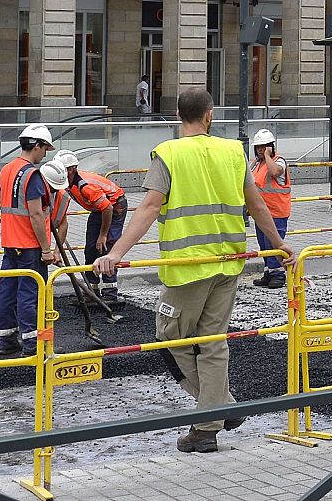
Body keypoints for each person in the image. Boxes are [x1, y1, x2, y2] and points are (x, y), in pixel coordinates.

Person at [94, 87, 290, 454]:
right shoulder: (233, 151)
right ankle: (211, 421)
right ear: (209, 115)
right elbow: (257, 203)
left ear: (177, 117)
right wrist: (278, 244)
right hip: (228, 263)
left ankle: (216, 411)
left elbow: (149, 207)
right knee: (213, 343)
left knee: (170, 339)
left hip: (187, 267)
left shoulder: (168, 154)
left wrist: (116, 253)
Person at [0, 124, 67, 356]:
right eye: (45, 149)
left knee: (7, 290)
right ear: (37, 146)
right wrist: (46, 249)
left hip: (10, 242)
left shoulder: (6, 169)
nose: (45, 154)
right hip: (29, 245)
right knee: (30, 294)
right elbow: (35, 214)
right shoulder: (32, 175)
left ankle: (6, 340)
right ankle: (32, 344)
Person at [56, 151, 127, 302]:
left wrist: (103, 235)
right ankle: (91, 290)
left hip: (114, 205)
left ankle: (110, 292)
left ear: (71, 169)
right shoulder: (66, 181)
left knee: (107, 246)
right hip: (98, 208)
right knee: (91, 248)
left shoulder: (85, 185)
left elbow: (108, 208)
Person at [249, 128, 292, 289]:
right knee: (264, 244)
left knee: (274, 244)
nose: (260, 149)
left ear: (271, 147)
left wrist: (267, 155)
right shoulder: (255, 164)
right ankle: (269, 272)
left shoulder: (278, 161)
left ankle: (278, 274)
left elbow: (274, 172)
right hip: (261, 214)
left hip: (276, 212)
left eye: (264, 146)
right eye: (258, 147)